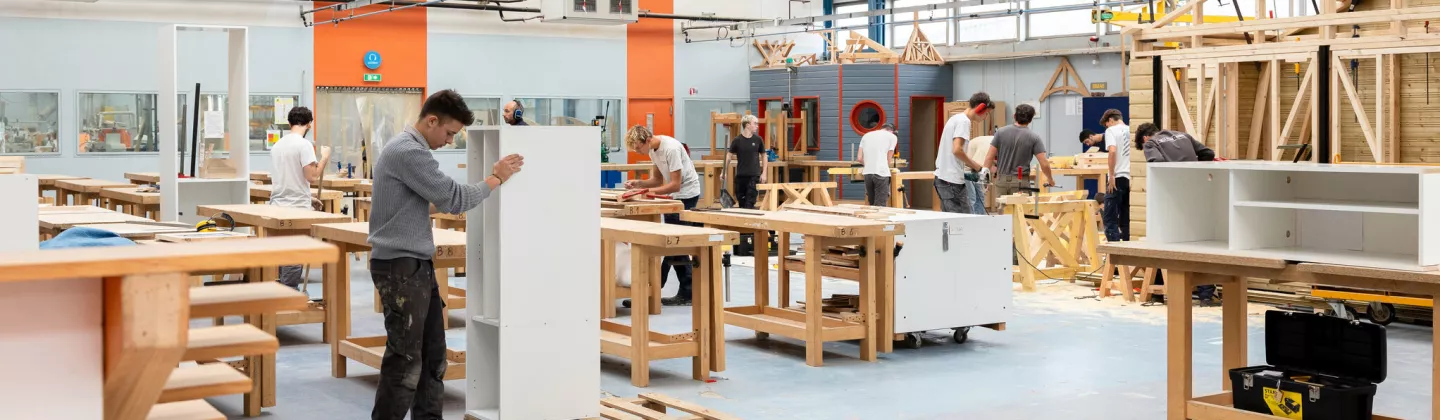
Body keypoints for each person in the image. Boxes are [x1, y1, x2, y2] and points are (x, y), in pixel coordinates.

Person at [367, 89, 525, 420]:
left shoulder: (404, 149)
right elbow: (454, 199)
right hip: (401, 269)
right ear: (431, 120)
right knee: (406, 362)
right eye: (449, 133)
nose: (450, 141)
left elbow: (436, 198)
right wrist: (496, 178)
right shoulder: (410, 152)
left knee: (432, 356)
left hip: (412, 266)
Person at [1134, 122, 1219, 305]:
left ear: (1144, 139)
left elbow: (1157, 165)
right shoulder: (1183, 135)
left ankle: (1158, 291)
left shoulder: (1151, 144)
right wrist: (1194, 171)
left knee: (1161, 240)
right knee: (1200, 240)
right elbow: (1208, 154)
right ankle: (1206, 294)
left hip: (1174, 198)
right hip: (1199, 192)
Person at [624, 125, 702, 306]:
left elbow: (675, 185)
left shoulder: (671, 149)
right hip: (674, 195)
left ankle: (656, 291)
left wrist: (649, 192)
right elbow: (658, 180)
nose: (637, 151)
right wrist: (639, 183)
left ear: (647, 140)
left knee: (673, 243)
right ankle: (674, 290)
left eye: (638, 148)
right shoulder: (653, 150)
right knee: (673, 244)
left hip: (687, 195)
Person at [269, 106, 330, 290]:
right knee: (295, 253)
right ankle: (290, 295)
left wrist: (308, 197)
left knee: (283, 251)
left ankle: (283, 292)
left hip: (278, 205)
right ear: (309, 124)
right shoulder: (304, 145)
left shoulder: (277, 145)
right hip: (296, 209)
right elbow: (311, 176)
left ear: (289, 123)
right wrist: (324, 158)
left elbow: (289, 178)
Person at [983, 104, 1053, 212]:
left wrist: (985, 180)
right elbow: (1044, 163)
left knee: (1003, 218)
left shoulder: (1000, 133)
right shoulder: (1034, 137)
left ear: (1014, 116)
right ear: (1030, 120)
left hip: (1001, 180)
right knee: (1021, 217)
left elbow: (989, 157)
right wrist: (1050, 179)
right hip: (1020, 181)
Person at [935, 92, 992, 214]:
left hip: (945, 179)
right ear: (980, 108)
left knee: (952, 222)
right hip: (952, 182)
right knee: (961, 224)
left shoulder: (955, 118)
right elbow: (957, 150)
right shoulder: (964, 121)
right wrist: (977, 167)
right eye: (986, 113)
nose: (985, 117)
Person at [1100, 109, 1131, 242]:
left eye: (1107, 124)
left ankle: (1114, 254)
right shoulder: (1131, 129)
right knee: (1126, 216)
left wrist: (1111, 175)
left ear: (1110, 120)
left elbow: (1112, 151)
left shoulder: (1111, 131)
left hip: (1117, 177)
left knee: (1109, 217)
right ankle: (1128, 252)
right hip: (1131, 178)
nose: (1107, 127)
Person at [728, 114, 767, 209]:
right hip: (741, 176)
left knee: (749, 204)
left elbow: (764, 155)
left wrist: (764, 173)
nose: (757, 126)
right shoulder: (737, 140)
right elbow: (728, 156)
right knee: (742, 204)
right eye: (755, 124)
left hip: (754, 176)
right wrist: (723, 171)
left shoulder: (758, 140)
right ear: (747, 125)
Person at [858, 122, 898, 206]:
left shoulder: (866, 135)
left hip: (867, 173)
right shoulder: (892, 137)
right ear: (892, 131)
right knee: (880, 206)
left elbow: (859, 158)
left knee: (872, 204)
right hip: (881, 173)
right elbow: (888, 159)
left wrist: (869, 163)